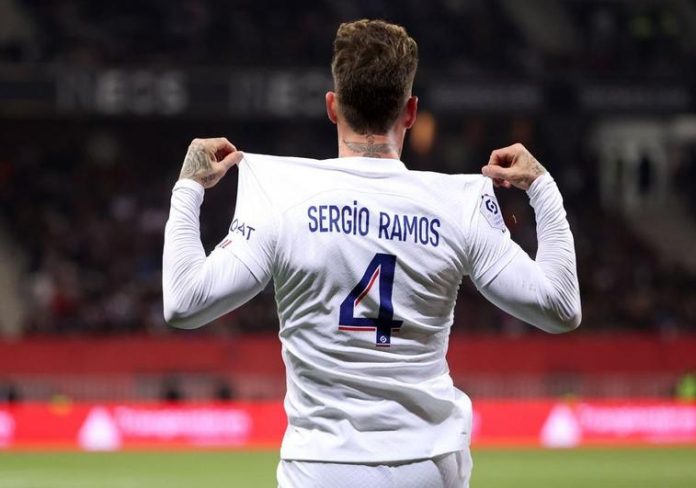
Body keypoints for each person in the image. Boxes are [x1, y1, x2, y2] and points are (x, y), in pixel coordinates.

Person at [162, 19, 581, 488]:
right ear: (411, 111)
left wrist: (189, 187)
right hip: (429, 463)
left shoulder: (280, 193)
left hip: (322, 466)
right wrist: (542, 188)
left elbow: (184, 302)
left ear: (332, 106)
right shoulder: (457, 203)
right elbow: (561, 308)